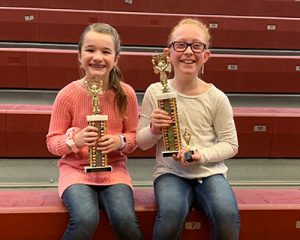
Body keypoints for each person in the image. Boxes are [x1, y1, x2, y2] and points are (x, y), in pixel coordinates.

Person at [136, 18, 240, 240]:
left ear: (206, 55)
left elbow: (230, 145)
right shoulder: (155, 92)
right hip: (170, 173)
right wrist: (154, 129)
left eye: (197, 45)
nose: (188, 52)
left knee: (227, 214)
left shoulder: (217, 98)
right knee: (171, 214)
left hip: (209, 173)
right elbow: (142, 142)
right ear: (168, 53)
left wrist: (201, 156)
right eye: (180, 44)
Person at [46, 23, 143, 240]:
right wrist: (75, 141)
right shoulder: (67, 95)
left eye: (106, 51)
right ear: (79, 56)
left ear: (116, 59)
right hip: (75, 173)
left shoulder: (126, 94)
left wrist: (119, 141)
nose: (97, 57)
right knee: (85, 219)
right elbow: (52, 142)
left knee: (126, 220)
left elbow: (135, 137)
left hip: (114, 172)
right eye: (90, 50)